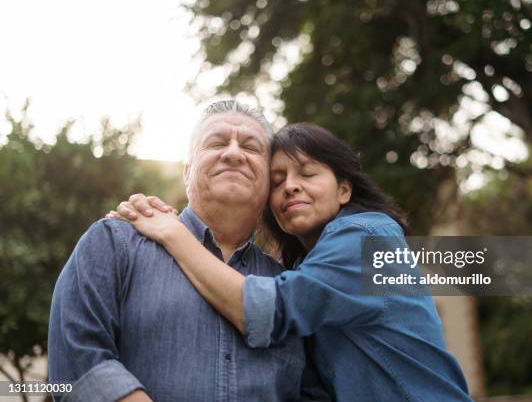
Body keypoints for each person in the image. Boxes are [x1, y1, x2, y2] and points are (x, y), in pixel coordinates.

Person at [112, 122, 472, 401]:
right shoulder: (304, 268)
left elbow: (266, 310)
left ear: (344, 189)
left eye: (308, 173)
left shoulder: (367, 238)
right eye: (278, 180)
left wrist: (174, 234)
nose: (290, 187)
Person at [48, 101, 326, 402]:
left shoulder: (292, 285)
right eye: (217, 142)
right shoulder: (113, 243)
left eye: (250, 147)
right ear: (187, 172)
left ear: (269, 181)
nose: (233, 153)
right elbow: (76, 365)